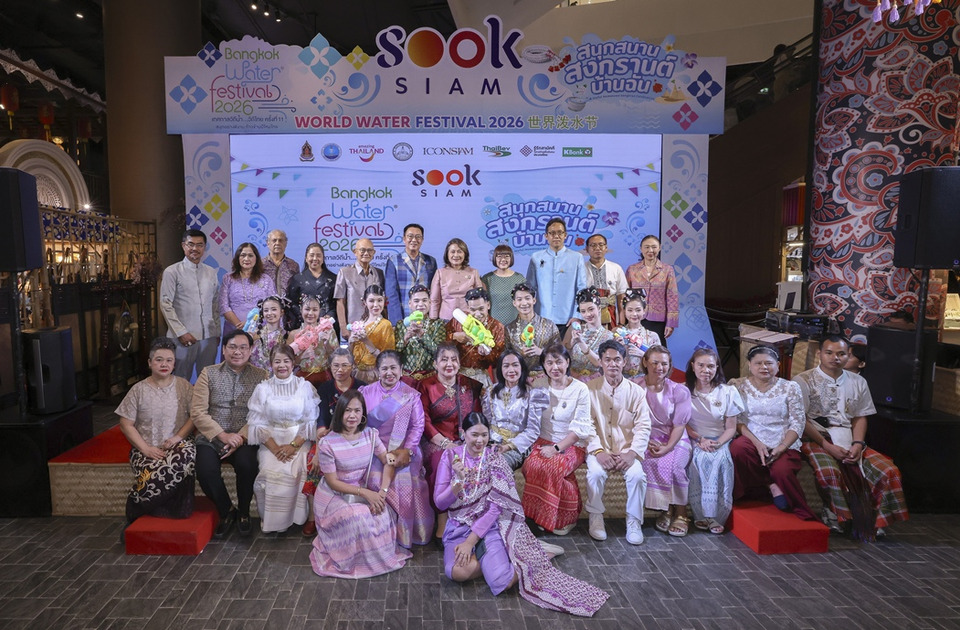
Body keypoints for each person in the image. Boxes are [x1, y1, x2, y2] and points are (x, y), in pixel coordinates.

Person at [434, 412, 609, 617]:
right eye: (474, 435)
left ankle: (532, 557)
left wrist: (470, 542)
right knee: (456, 572)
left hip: (489, 527)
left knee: (501, 582)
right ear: (463, 433)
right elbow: (440, 502)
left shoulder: (494, 459)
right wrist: (457, 483)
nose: (480, 441)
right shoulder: (450, 457)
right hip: (459, 526)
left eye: (484, 435)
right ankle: (514, 555)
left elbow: (495, 508)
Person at [795, 335, 908, 539]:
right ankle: (834, 513)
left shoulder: (858, 381)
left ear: (848, 355)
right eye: (829, 353)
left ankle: (875, 519)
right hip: (817, 437)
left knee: (889, 470)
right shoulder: (803, 380)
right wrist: (827, 446)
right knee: (829, 471)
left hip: (849, 437)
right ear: (820, 354)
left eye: (841, 354)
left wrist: (857, 444)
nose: (835, 358)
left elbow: (860, 416)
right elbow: (801, 419)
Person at [309, 390, 412, 578]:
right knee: (357, 517)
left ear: (363, 413)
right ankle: (352, 562)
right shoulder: (327, 443)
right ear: (340, 412)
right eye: (347, 410)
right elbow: (332, 482)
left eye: (357, 411)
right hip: (333, 496)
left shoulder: (370, 435)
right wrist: (366, 493)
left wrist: (382, 492)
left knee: (382, 512)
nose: (352, 416)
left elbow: (388, 461)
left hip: (360, 490)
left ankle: (375, 560)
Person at [191, 329, 269, 537]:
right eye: (232, 347)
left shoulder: (261, 376)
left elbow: (263, 413)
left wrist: (240, 437)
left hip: (245, 436)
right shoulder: (208, 373)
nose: (237, 352)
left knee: (247, 464)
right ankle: (226, 510)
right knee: (205, 470)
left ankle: (243, 512)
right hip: (212, 436)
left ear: (250, 350)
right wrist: (222, 436)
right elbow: (197, 412)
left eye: (243, 347)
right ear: (224, 349)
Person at [729, 345, 816, 521]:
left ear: (778, 365)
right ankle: (770, 484)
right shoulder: (737, 386)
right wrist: (757, 443)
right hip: (751, 439)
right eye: (758, 363)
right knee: (737, 449)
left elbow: (798, 422)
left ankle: (797, 506)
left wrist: (782, 446)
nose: (764, 367)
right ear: (749, 365)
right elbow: (737, 421)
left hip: (783, 441)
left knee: (782, 470)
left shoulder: (790, 387)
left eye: (769, 363)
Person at [116, 337, 195, 524]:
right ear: (150, 363)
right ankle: (151, 507)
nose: (164, 364)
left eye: (169, 360)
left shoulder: (184, 386)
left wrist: (177, 437)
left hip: (178, 445)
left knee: (183, 460)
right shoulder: (138, 390)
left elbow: (195, 417)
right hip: (146, 447)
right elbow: (125, 424)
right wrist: (146, 449)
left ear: (174, 364)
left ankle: (137, 504)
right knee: (152, 471)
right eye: (159, 360)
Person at [360, 351, 435, 548]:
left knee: (405, 480)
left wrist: (408, 450)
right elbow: (361, 424)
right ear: (377, 371)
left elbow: (417, 426)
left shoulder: (410, 395)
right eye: (384, 368)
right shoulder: (366, 393)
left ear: (401, 370)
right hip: (373, 449)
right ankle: (377, 534)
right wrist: (379, 451)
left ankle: (405, 535)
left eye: (393, 368)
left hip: (404, 450)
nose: (389, 373)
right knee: (373, 478)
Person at [521, 343, 596, 535]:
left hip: (572, 443)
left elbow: (579, 430)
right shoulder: (538, 385)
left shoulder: (580, 389)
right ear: (543, 365)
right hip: (542, 440)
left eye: (559, 362)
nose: (554, 367)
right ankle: (541, 515)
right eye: (549, 363)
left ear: (567, 362)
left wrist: (555, 449)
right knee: (531, 465)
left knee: (553, 466)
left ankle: (561, 519)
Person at [246, 344, 319, 534]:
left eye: (286, 361)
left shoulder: (304, 386)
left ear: (293, 363)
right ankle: (274, 522)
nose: (282, 365)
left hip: (298, 438)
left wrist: (293, 446)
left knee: (300, 468)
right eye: (277, 361)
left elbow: (310, 421)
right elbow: (257, 424)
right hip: (271, 440)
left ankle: (298, 518)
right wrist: (275, 449)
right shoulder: (262, 388)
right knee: (269, 472)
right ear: (271, 364)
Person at [584, 340, 650, 545]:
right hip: (599, 448)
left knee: (637, 476)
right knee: (595, 474)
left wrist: (632, 453)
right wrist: (598, 451)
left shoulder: (637, 392)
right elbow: (586, 425)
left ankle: (634, 521)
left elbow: (643, 426)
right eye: (608, 360)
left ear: (625, 362)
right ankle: (596, 517)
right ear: (600, 362)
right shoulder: (589, 389)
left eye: (617, 360)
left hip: (627, 449)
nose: (612, 364)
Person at [301, 348, 366, 535]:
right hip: (329, 439)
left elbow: (364, 420)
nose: (340, 369)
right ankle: (313, 516)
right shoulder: (325, 388)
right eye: (336, 365)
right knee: (313, 462)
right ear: (329, 367)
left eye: (345, 365)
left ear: (352, 366)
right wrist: (319, 450)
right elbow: (321, 421)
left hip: (355, 436)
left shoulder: (362, 387)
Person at [684, 348, 743, 535]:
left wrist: (717, 443)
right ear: (693, 366)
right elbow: (682, 423)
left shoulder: (728, 392)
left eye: (710, 366)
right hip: (695, 438)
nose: (705, 370)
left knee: (721, 461)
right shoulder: (684, 391)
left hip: (720, 439)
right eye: (701, 365)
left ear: (717, 367)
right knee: (698, 460)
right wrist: (700, 439)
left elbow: (731, 428)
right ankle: (700, 514)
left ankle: (716, 516)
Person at [639, 345, 693, 537]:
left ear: (670, 366)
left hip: (676, 439)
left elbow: (680, 425)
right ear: (645, 362)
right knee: (649, 463)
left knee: (676, 467)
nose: (659, 367)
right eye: (654, 362)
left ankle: (681, 513)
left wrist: (668, 447)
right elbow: (628, 420)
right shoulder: (635, 387)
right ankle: (666, 509)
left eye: (664, 363)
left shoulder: (679, 391)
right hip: (646, 439)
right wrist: (644, 442)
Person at [418, 343, 483, 502]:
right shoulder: (426, 386)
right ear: (435, 364)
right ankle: (441, 510)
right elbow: (424, 421)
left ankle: (472, 509)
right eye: (444, 359)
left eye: (454, 359)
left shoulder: (469, 384)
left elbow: (477, 418)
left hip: (467, 441)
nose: (449, 364)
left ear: (459, 364)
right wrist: (445, 443)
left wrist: (471, 442)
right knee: (442, 462)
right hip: (436, 442)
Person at [160, 229, 220, 381]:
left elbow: (215, 304)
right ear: (183, 246)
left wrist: (216, 332)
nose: (195, 248)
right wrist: (181, 332)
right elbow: (165, 304)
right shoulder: (172, 272)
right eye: (191, 244)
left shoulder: (211, 272)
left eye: (199, 245)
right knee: (180, 379)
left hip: (208, 337)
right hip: (183, 336)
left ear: (204, 247)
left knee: (207, 380)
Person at [481, 349, 549, 470]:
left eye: (515, 365)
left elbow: (533, 430)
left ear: (522, 368)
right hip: (492, 443)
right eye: (506, 366)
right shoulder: (491, 392)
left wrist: (508, 446)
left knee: (498, 465)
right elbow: (486, 423)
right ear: (500, 369)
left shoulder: (532, 394)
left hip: (517, 447)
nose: (511, 370)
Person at [525, 218, 589, 336]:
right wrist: (530, 315)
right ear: (546, 236)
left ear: (565, 235)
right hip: (542, 317)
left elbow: (582, 288)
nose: (556, 236)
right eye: (552, 233)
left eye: (560, 233)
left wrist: (577, 315)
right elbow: (530, 288)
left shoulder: (576, 257)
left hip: (568, 319)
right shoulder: (536, 257)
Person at [446, 286, 505, 389]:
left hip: (481, 377)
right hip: (458, 375)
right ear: (468, 307)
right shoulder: (459, 320)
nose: (477, 314)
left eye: (481, 309)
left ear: (488, 305)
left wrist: (486, 354)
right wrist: (454, 337)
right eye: (473, 310)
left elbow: (498, 360)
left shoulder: (497, 327)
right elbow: (441, 341)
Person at [625, 235, 679, 344]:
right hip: (635, 317)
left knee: (657, 349)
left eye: (654, 247)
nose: (650, 250)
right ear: (641, 249)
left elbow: (672, 296)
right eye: (647, 247)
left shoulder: (667, 270)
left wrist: (671, 323)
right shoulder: (632, 269)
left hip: (658, 319)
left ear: (659, 248)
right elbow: (625, 295)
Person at [504, 283, 560, 384]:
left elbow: (559, 354)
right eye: (519, 299)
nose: (524, 303)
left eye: (527, 298)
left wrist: (542, 352)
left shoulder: (549, 325)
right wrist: (519, 356)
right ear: (514, 303)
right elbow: (505, 358)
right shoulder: (509, 329)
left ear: (534, 300)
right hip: (519, 379)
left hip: (545, 377)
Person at [218, 242, 276, 337]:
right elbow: (223, 306)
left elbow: (272, 305)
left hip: (259, 330)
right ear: (238, 258)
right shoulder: (228, 278)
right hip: (234, 329)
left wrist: (251, 324)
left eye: (250, 255)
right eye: (243, 255)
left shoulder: (266, 279)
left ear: (256, 258)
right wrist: (240, 326)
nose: (246, 259)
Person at [385, 223, 438, 323]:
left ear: (422, 240)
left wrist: (432, 318)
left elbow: (434, 293)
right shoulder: (394, 261)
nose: (414, 240)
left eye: (418, 237)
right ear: (404, 239)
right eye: (410, 236)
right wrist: (397, 322)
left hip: (425, 319)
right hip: (404, 318)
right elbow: (391, 295)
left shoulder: (431, 261)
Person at [394, 284, 447, 383]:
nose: (421, 304)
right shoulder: (401, 325)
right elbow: (394, 353)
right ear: (410, 304)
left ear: (430, 302)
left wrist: (422, 335)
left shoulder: (437, 324)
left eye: (424, 300)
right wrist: (405, 339)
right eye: (416, 301)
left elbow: (440, 353)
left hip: (430, 379)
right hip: (406, 379)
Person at [334, 238, 385, 340]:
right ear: (355, 252)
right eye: (362, 250)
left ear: (374, 253)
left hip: (376, 327)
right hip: (353, 328)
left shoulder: (379, 273)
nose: (366, 253)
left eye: (370, 250)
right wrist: (343, 328)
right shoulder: (345, 272)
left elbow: (383, 301)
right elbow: (340, 302)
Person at [564, 288, 614, 383]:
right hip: (572, 380)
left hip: (595, 383)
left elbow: (600, 363)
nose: (588, 314)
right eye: (583, 311)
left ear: (599, 308)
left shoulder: (609, 336)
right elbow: (563, 357)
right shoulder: (574, 329)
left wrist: (581, 343)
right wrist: (571, 344)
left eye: (591, 309)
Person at [348, 284, 396, 383]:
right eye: (371, 301)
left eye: (379, 300)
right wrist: (351, 342)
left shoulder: (386, 325)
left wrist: (367, 342)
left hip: (374, 374)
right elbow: (352, 354)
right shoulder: (360, 323)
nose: (376, 305)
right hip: (356, 373)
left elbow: (387, 358)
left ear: (384, 301)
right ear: (364, 302)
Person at [286, 243, 337, 332]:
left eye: (318, 255)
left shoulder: (333, 279)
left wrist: (329, 316)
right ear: (306, 258)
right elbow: (291, 302)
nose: (315, 258)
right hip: (303, 326)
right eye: (311, 255)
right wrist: (304, 315)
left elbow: (338, 303)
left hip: (327, 326)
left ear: (323, 258)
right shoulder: (297, 279)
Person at [288, 294, 338, 384]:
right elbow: (287, 361)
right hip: (302, 377)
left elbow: (336, 357)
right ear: (301, 310)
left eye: (314, 310)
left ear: (320, 311)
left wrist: (326, 343)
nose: (310, 313)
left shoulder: (328, 330)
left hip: (325, 376)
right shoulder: (294, 334)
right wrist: (301, 356)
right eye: (307, 309)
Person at [430, 238, 483, 320]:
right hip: (446, 319)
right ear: (447, 254)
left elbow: (480, 298)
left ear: (465, 254)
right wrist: (433, 319)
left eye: (459, 251)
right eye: (452, 252)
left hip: (468, 319)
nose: (456, 255)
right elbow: (435, 300)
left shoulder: (473, 272)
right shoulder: (440, 273)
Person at [615, 288, 661, 381]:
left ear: (644, 310)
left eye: (638, 310)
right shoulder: (618, 334)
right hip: (622, 381)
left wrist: (644, 355)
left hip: (645, 381)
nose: (634, 314)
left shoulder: (652, 336)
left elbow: (660, 362)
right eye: (630, 310)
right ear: (624, 311)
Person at [584, 234, 628, 328]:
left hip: (611, 315)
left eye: (601, 245)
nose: (597, 248)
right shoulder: (581, 269)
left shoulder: (616, 268)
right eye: (593, 245)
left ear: (606, 248)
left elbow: (621, 297)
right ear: (587, 249)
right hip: (588, 317)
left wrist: (621, 323)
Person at [481, 244, 526, 325]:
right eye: (499, 256)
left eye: (507, 256)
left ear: (511, 258)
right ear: (494, 258)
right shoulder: (487, 278)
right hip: (493, 325)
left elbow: (524, 303)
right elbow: (483, 304)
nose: (503, 259)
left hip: (516, 325)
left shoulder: (519, 278)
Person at [250, 295, 289, 372]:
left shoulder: (286, 335)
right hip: (256, 374)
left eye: (274, 309)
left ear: (281, 312)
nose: (269, 313)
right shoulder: (256, 334)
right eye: (266, 310)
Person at [262, 229, 300, 296]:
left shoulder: (293, 265)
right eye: (274, 240)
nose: (277, 243)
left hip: (287, 302)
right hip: (265, 301)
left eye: (280, 240)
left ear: (286, 243)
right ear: (268, 243)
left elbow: (297, 289)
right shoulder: (260, 264)